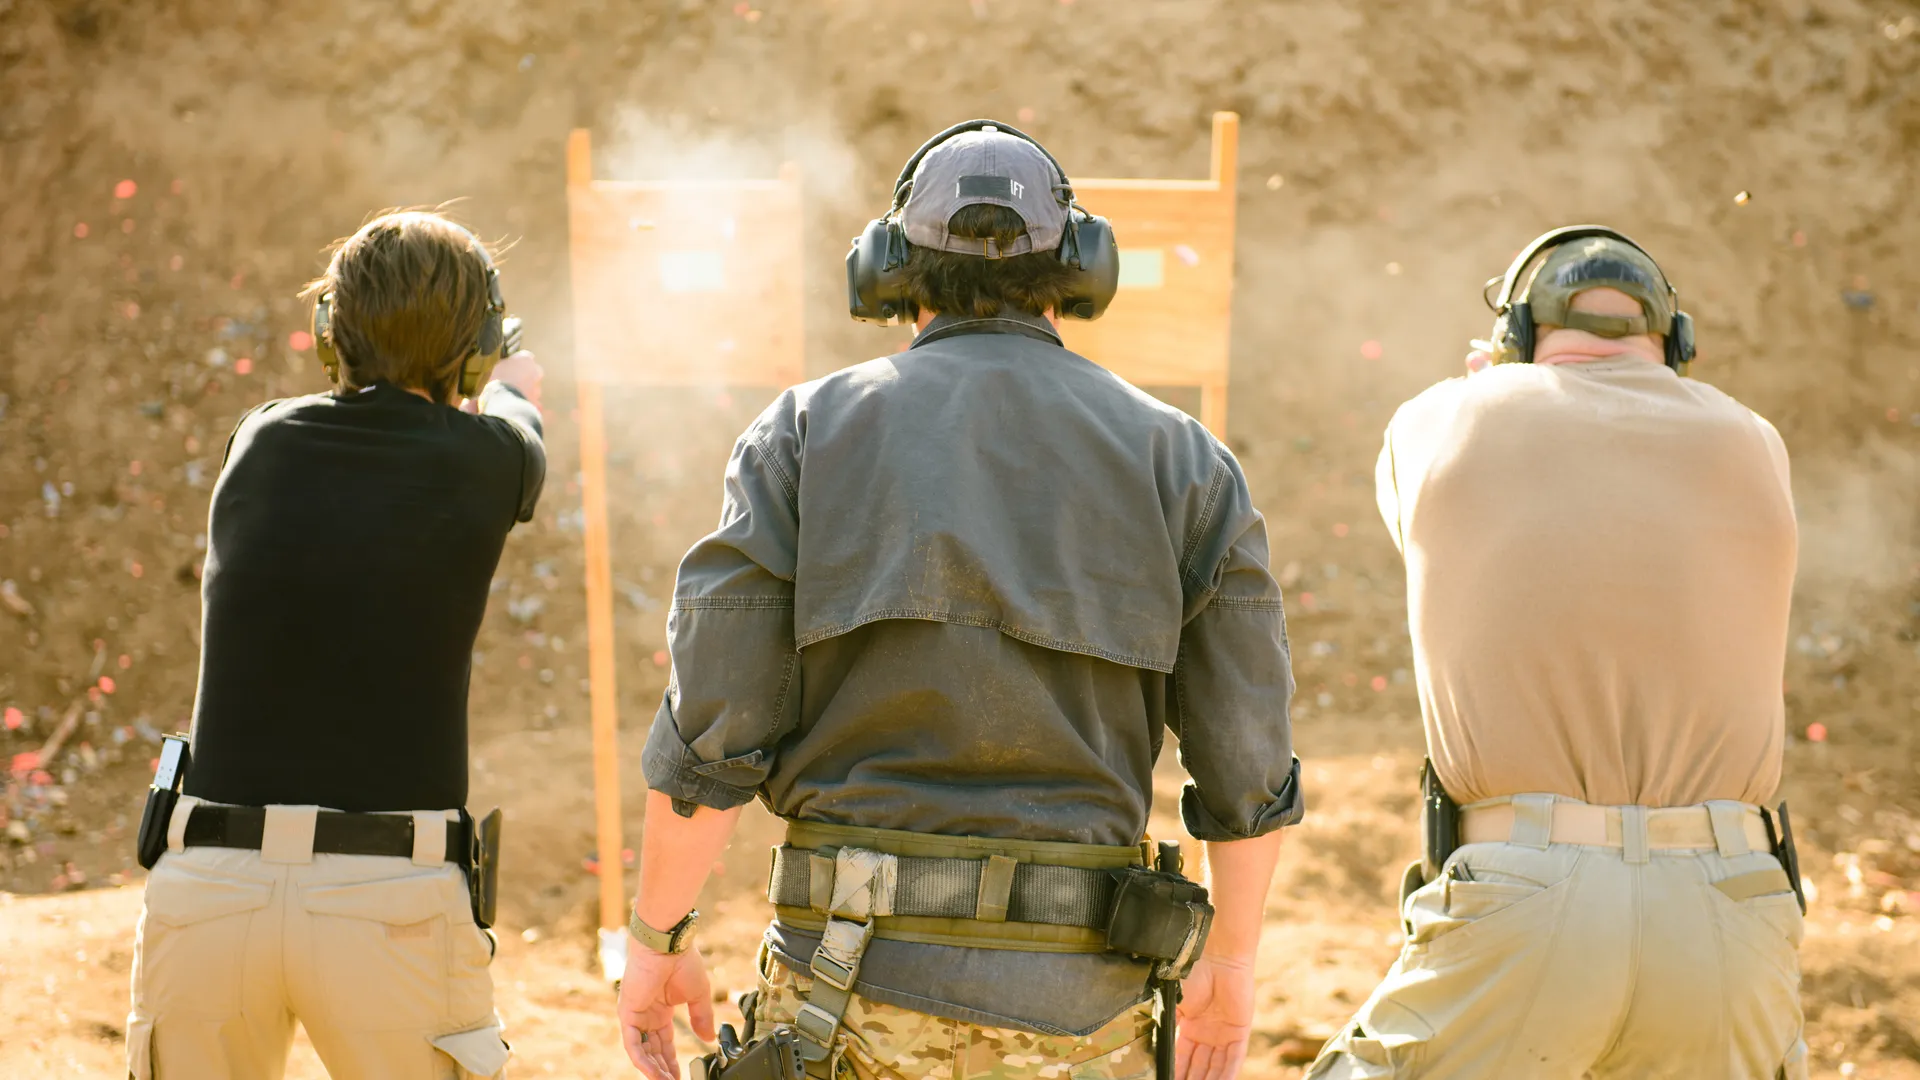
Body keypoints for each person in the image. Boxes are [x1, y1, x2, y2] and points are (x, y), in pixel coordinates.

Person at [614, 121, 1303, 1080]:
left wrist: (655, 939)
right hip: (1083, 1015)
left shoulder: (802, 434)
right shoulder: (1185, 462)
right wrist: (1228, 966)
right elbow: (1247, 763)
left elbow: (715, 728)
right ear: (1081, 267)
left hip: (841, 1002)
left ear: (890, 267)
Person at [1308, 228, 1805, 1079]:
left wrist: (1494, 385)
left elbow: (1427, 523)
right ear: (1672, 338)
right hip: (1732, 903)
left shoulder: (1442, 419)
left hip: (1525, 894)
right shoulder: (1755, 441)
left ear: (1516, 335)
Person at [125, 211, 546, 1080]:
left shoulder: (260, 439)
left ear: (329, 336)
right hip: (388, 896)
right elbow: (519, 426)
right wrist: (508, 380)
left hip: (209, 885)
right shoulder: (490, 458)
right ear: (473, 354)